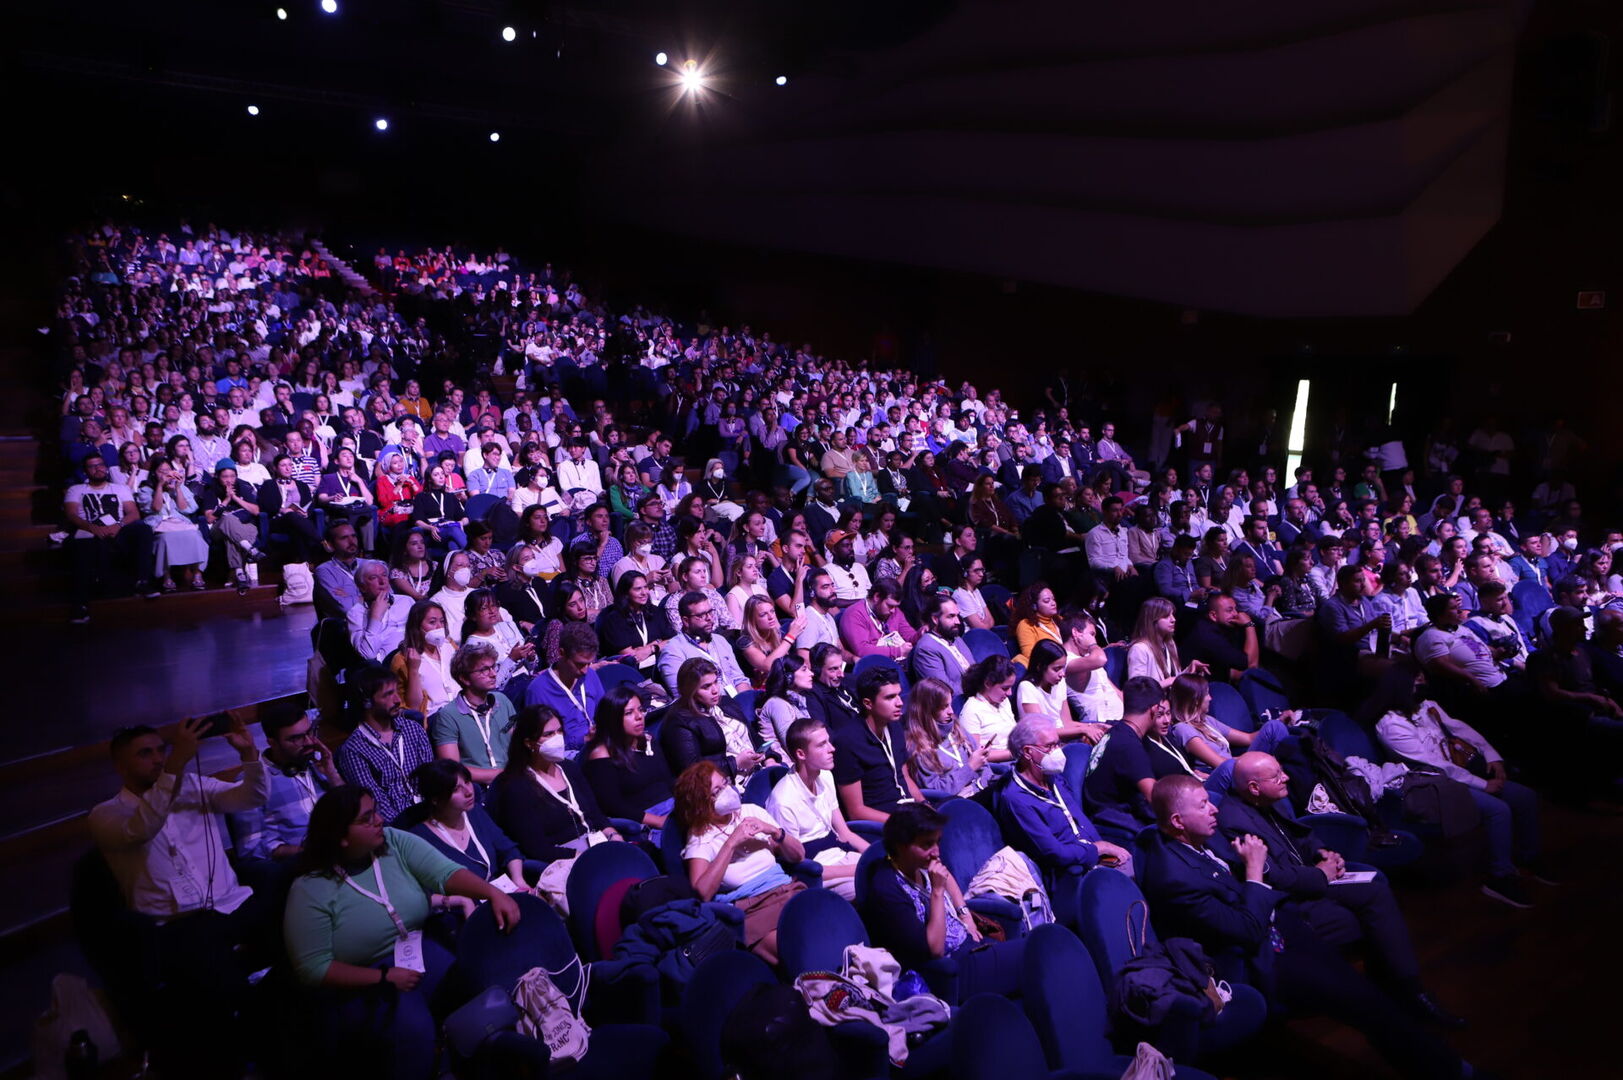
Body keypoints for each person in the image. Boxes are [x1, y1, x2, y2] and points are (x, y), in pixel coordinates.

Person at [1139, 775, 1471, 1080]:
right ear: (1177, 821)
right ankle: (1451, 1071)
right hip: (1256, 958)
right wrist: (1253, 869)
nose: (1214, 809)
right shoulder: (1173, 877)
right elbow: (1246, 929)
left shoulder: (1202, 839)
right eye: (1202, 805)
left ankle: (1414, 1014)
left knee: (1366, 986)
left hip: (1280, 925)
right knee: (1365, 1004)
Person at [283, 788, 520, 1080]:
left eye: (376, 811)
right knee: (412, 1029)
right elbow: (313, 968)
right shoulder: (311, 888)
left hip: (416, 949)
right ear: (340, 836)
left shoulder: (393, 842)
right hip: (363, 977)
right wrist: (382, 977)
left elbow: (445, 873)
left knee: (481, 989)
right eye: (367, 818)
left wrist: (492, 893)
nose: (380, 820)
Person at [1219, 751, 1462, 1022]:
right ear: (1254, 787)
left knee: (1374, 887)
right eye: (1276, 776)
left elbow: (1301, 834)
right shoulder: (1234, 820)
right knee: (1364, 909)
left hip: (1311, 876)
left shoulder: (1268, 799)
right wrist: (1321, 874)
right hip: (1288, 898)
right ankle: (1404, 993)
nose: (1285, 777)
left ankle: (1404, 988)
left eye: (1282, 771)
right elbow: (1274, 876)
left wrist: (1322, 852)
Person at [1373, 677, 1548, 909]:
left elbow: (1460, 728)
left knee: (1525, 797)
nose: (1422, 680)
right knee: (1498, 810)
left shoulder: (1427, 705)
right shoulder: (1391, 725)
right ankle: (1501, 876)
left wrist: (1492, 755)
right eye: (1415, 677)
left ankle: (1529, 856)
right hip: (1434, 783)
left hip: (1461, 772)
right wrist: (1482, 784)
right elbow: (1434, 764)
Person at [863, 803, 1026, 998]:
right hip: (953, 970)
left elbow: (945, 875)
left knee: (1043, 949)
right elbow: (935, 950)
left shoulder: (918, 863)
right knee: (1039, 951)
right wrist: (937, 892)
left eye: (937, 842)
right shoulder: (888, 890)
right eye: (927, 845)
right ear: (900, 845)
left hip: (973, 945)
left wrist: (965, 915)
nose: (936, 852)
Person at [991, 716, 1134, 918]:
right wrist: (1098, 848)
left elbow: (1078, 820)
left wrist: (1104, 852)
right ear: (1028, 752)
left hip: (1095, 860)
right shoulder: (1016, 799)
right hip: (1068, 877)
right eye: (1050, 746)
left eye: (1057, 744)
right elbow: (1055, 853)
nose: (1057, 751)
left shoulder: (1053, 777)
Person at [675, 761, 806, 964]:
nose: (726, 791)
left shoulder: (751, 811)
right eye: (717, 791)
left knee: (825, 932)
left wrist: (774, 831)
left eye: (725, 783)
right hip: (752, 909)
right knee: (800, 953)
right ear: (702, 803)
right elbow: (702, 893)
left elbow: (799, 856)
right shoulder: (701, 836)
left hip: (785, 890)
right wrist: (731, 843)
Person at [486, 705, 622, 862]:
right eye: (548, 734)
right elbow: (536, 848)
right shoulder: (517, 786)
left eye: (559, 731)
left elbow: (596, 814)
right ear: (529, 743)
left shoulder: (570, 768)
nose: (557, 738)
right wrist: (582, 858)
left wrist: (612, 834)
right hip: (564, 859)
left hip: (596, 844)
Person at [767, 717, 869, 900]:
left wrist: (876, 855)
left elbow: (844, 832)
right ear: (801, 754)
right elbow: (796, 866)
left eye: (828, 741)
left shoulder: (826, 776)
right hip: (818, 873)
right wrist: (857, 868)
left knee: (895, 870)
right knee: (873, 886)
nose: (832, 748)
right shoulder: (783, 801)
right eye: (822, 745)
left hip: (842, 856)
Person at [230, 710, 343, 868]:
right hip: (302, 866)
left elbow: (353, 809)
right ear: (273, 743)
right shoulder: (250, 782)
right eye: (296, 738)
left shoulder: (319, 763)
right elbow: (251, 850)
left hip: (345, 851)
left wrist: (333, 775)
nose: (309, 742)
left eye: (309, 732)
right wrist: (305, 852)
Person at [408, 759, 531, 893]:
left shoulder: (475, 813)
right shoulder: (419, 838)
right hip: (465, 904)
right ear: (435, 799)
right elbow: (428, 892)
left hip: (502, 892)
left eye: (467, 782)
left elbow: (508, 849)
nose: (469, 792)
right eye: (456, 789)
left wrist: (518, 880)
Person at [335, 664, 434, 824]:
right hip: (399, 826)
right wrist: (409, 828)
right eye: (388, 695)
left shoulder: (413, 729)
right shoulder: (354, 750)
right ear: (367, 702)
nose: (397, 700)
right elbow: (376, 803)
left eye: (396, 692)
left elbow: (431, 778)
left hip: (432, 813)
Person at [63, 452, 157, 618]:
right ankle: (80, 604)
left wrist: (118, 526)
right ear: (85, 471)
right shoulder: (76, 489)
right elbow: (71, 514)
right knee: (81, 545)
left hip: (118, 528)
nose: (98, 469)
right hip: (89, 529)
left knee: (143, 530)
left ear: (106, 468)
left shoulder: (120, 488)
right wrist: (92, 528)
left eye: (100, 465)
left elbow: (133, 513)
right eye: (92, 466)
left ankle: (142, 581)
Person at [660, 657, 771, 787]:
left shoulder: (726, 703)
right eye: (706, 687)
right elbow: (691, 770)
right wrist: (735, 763)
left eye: (715, 682)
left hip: (758, 770)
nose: (715, 690)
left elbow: (754, 737)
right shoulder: (680, 721)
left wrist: (769, 758)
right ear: (690, 691)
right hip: (726, 785)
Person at [833, 665, 924, 823]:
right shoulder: (847, 742)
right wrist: (903, 823)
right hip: (883, 822)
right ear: (868, 704)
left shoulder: (894, 726)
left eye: (899, 695)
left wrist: (924, 804)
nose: (899, 703)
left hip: (909, 811)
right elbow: (856, 811)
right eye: (890, 697)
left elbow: (904, 776)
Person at [1082, 676, 1165, 841]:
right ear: (1155, 709)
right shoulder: (1129, 745)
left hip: (1099, 815)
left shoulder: (1115, 731)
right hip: (1117, 825)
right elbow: (1155, 799)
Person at [582, 686, 676, 830]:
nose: (639, 716)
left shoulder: (648, 741)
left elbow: (669, 780)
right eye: (629, 713)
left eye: (640, 709)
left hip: (674, 807)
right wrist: (659, 821)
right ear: (612, 719)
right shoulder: (601, 755)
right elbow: (613, 806)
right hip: (646, 819)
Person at [429, 641, 516, 784]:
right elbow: (452, 769)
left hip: (512, 782)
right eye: (484, 670)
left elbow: (518, 742)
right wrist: (502, 775)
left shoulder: (503, 701)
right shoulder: (447, 716)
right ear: (464, 679)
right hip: (477, 788)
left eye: (493, 667)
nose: (493, 674)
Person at [1165, 673, 1291, 770]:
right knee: (1275, 734)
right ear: (1196, 700)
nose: (1210, 698)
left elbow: (1248, 738)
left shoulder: (1207, 720)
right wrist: (1260, 759)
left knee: (1274, 727)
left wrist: (1281, 721)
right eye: (1207, 694)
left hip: (1234, 764)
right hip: (1226, 772)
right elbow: (1221, 764)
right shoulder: (1183, 729)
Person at [525, 622, 607, 749]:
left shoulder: (590, 675)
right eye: (579, 664)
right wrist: (584, 740)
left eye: (589, 664)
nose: (585, 671)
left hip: (598, 744)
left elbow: (605, 713)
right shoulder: (538, 690)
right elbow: (540, 743)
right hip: (564, 754)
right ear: (561, 653)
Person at [659, 589, 755, 695]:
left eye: (710, 612)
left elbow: (739, 679)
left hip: (735, 700)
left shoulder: (720, 640)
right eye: (701, 615)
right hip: (708, 704)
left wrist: (742, 700)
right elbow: (683, 696)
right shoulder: (673, 651)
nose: (709, 618)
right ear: (686, 621)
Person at [137, 459, 210, 591]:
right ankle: (167, 576)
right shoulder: (146, 489)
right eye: (161, 471)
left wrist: (178, 488)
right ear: (154, 473)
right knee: (165, 538)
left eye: (168, 470)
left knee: (195, 535)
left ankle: (197, 573)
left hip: (179, 522)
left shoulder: (178, 486)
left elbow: (185, 508)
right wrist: (160, 486)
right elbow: (156, 508)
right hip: (160, 523)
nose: (165, 474)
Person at [198, 463, 265, 591]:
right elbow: (210, 518)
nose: (229, 480)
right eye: (225, 477)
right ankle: (249, 549)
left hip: (245, 526)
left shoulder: (243, 487)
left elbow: (256, 511)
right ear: (218, 477)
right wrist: (227, 500)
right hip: (218, 528)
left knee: (230, 535)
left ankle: (238, 572)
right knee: (228, 519)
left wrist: (235, 497)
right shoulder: (211, 491)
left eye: (232, 476)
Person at [598, 571, 674, 678]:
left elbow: (672, 640)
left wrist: (651, 648)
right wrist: (658, 641)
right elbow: (631, 656)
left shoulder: (654, 611)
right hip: (631, 672)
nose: (644, 593)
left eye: (645, 587)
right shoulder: (615, 619)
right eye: (638, 589)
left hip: (660, 664)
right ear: (625, 593)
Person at [389, 599, 458, 715]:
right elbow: (413, 708)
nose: (439, 627)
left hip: (462, 708)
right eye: (432, 622)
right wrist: (413, 670)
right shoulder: (402, 660)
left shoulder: (449, 645)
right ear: (416, 627)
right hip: (435, 716)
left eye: (442, 621)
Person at [1017, 638, 1093, 741]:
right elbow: (1042, 731)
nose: (1062, 674)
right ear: (1040, 667)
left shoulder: (1060, 683)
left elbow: (1067, 722)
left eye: (1063, 668)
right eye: (1057, 669)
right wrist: (1083, 729)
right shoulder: (1027, 687)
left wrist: (1092, 726)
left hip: (1062, 738)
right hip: (1044, 744)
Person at [459, 587, 535, 689]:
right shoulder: (474, 645)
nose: (492, 611)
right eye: (484, 608)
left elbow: (530, 668)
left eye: (493, 605)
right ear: (473, 616)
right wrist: (511, 659)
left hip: (528, 681)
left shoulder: (508, 626)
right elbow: (494, 686)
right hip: (508, 692)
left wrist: (530, 658)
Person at [1182, 592, 1262, 685]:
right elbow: (1251, 665)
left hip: (1214, 676)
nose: (1236, 614)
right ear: (1213, 615)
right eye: (1229, 610)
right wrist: (1249, 625)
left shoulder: (1212, 626)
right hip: (1200, 687)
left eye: (1235, 609)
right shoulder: (1209, 636)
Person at [1126, 596, 1207, 685]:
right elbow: (1137, 688)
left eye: (1172, 615)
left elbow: (1173, 679)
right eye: (1166, 616)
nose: (1173, 619)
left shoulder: (1169, 644)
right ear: (1152, 620)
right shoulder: (1139, 649)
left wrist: (1188, 670)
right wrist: (1168, 682)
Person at [347, 559, 414, 663]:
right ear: (362, 587)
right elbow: (368, 655)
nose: (382, 582)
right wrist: (375, 617)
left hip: (417, 658)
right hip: (388, 666)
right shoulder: (356, 614)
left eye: (384, 575)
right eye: (373, 578)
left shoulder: (406, 601)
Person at [838, 577, 919, 660]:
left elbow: (909, 637)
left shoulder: (895, 612)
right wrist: (898, 651)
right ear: (877, 597)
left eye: (896, 606)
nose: (893, 611)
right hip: (871, 664)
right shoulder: (854, 614)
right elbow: (862, 650)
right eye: (890, 606)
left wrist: (921, 634)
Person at [958, 654, 1019, 761]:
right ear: (988, 683)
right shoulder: (972, 710)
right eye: (1005, 688)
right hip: (998, 766)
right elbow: (975, 754)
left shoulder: (1004, 702)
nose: (1010, 693)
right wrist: (1013, 753)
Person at [910, 592, 976, 689]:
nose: (957, 622)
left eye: (957, 616)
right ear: (935, 619)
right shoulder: (926, 649)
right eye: (951, 616)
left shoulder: (956, 638)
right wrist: (977, 692)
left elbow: (975, 670)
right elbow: (945, 690)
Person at [314, 520, 364, 621]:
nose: (351, 541)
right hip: (345, 627)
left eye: (353, 536)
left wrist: (350, 597)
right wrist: (373, 598)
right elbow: (347, 608)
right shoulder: (324, 571)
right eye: (344, 538)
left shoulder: (371, 565)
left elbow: (391, 599)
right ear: (330, 545)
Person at [1010, 581, 1062, 668]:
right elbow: (1031, 657)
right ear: (1034, 606)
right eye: (1047, 601)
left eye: (1053, 599)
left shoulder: (1059, 619)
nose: (1053, 603)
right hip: (1047, 667)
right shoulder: (1026, 625)